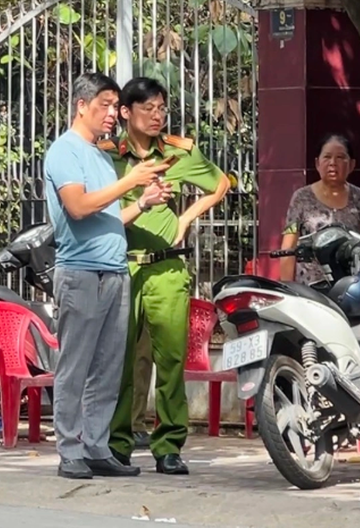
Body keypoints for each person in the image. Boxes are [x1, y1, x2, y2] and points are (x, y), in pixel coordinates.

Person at [43, 73, 171, 480]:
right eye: (106, 105)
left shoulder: (100, 156)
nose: (113, 114)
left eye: (116, 106)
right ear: (81, 106)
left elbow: (110, 217)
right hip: (82, 274)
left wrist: (143, 202)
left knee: (109, 368)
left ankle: (96, 447)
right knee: (75, 367)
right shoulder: (65, 151)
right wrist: (130, 181)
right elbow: (79, 207)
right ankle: (70, 450)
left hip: (115, 271)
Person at [101, 77, 230, 475]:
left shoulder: (178, 152)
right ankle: (118, 443)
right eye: (148, 109)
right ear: (126, 112)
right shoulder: (107, 156)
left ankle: (169, 445)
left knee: (171, 360)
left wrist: (186, 218)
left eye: (161, 108)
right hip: (123, 265)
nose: (157, 116)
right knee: (121, 361)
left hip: (167, 268)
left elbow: (220, 183)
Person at [280, 134, 360, 284]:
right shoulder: (300, 198)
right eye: (327, 157)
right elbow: (289, 247)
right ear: (317, 163)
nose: (333, 163)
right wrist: (287, 287)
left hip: (354, 286)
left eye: (340, 157)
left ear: (352, 164)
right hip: (310, 288)